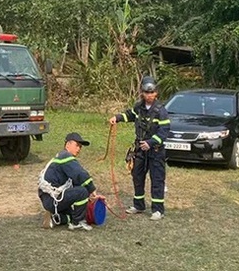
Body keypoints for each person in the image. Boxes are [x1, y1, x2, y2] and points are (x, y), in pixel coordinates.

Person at [108, 76, 170, 221]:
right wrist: (117, 118)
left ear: (156, 93)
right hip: (140, 150)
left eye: (151, 92)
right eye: (146, 92)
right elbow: (129, 115)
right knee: (137, 176)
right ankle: (139, 205)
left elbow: (164, 130)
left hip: (155, 151)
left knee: (157, 179)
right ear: (142, 93)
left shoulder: (161, 111)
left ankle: (157, 210)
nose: (148, 95)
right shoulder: (139, 107)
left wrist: (151, 142)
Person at [38, 132, 105, 231]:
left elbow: (75, 182)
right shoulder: (65, 156)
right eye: (77, 145)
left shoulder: (61, 157)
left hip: (51, 198)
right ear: (67, 144)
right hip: (53, 199)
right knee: (82, 192)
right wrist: (92, 192)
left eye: (80, 147)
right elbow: (80, 174)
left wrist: (90, 198)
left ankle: (56, 219)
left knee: (77, 212)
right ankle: (76, 223)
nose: (79, 149)